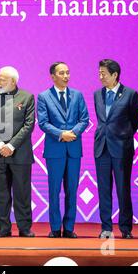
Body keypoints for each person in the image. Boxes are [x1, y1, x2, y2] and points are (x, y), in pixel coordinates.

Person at [37, 62, 89, 238]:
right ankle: (54, 228)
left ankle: (69, 228)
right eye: (62, 73)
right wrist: (61, 134)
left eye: (68, 72)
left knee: (72, 190)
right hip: (54, 149)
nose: (66, 76)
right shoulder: (44, 96)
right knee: (54, 190)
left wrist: (72, 133)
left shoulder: (77, 95)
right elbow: (43, 123)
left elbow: (85, 119)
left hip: (74, 148)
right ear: (53, 76)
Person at [0, 66, 35, 238]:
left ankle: (24, 228)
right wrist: (0, 145)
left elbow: (29, 125)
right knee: (1, 194)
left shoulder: (27, 97)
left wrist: (11, 146)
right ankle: (4, 228)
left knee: (22, 193)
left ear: (13, 81)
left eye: (2, 79)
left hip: (20, 154)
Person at [94, 59, 138, 239]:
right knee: (103, 190)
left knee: (123, 189)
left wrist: (123, 136)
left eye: (103, 73)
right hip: (101, 148)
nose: (100, 77)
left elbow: (134, 121)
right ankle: (106, 227)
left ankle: (126, 228)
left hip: (121, 148)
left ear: (115, 75)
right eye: (99, 73)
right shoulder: (97, 94)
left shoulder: (130, 94)